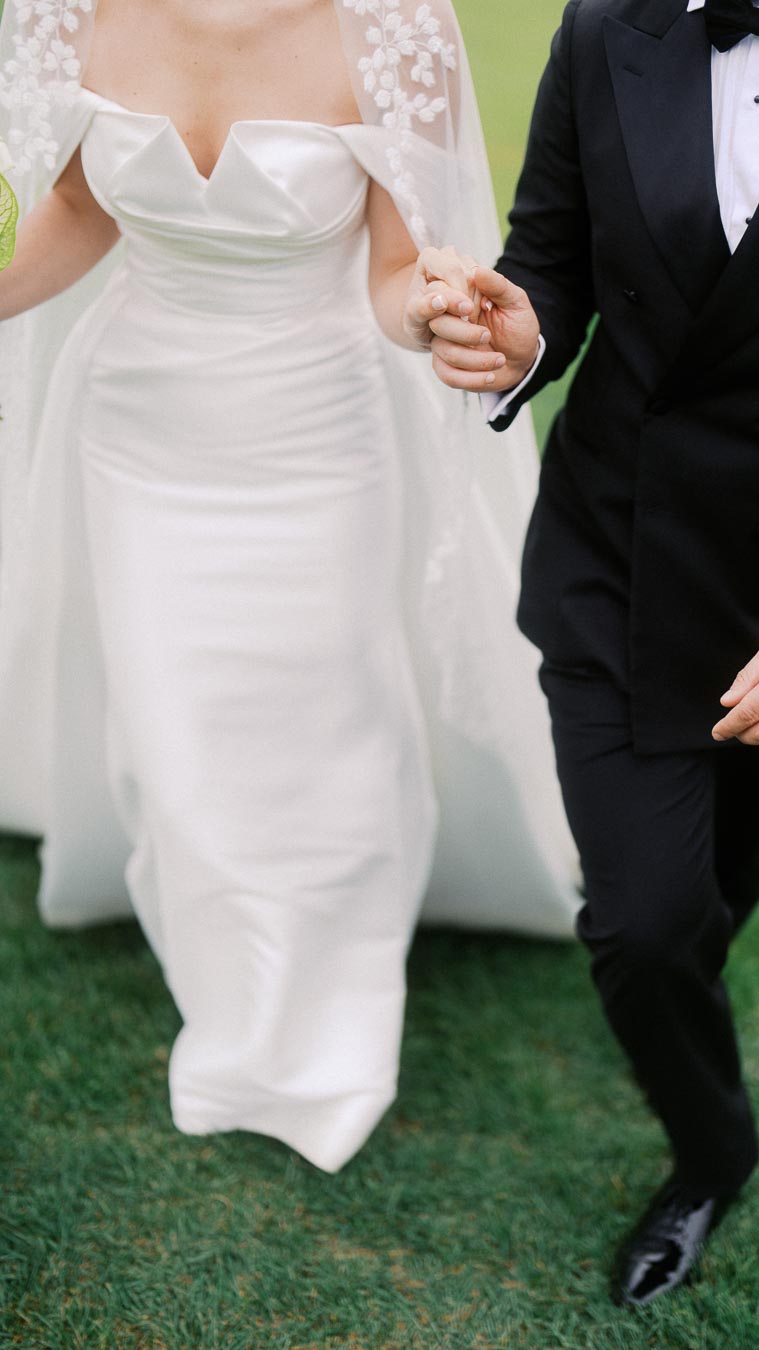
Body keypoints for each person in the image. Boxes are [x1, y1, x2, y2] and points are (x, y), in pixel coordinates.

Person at [0, 0, 579, 1174]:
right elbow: (78, 207)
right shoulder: (66, 10)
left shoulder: (394, 27)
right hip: (139, 430)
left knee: (326, 734)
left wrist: (430, 309)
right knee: (178, 732)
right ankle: (232, 988)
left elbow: (395, 272)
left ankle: (322, 1022)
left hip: (316, 437)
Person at [418, 0, 759, 1305]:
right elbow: (552, 262)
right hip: (615, 551)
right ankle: (713, 1152)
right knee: (642, 922)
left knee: (721, 881)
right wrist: (518, 333)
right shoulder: (605, 28)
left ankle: (683, 978)